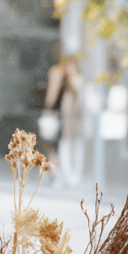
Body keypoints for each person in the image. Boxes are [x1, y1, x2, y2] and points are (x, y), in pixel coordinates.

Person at [43, 49, 84, 187]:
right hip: (61, 116)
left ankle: (60, 176)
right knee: (57, 144)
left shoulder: (59, 73)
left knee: (59, 144)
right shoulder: (60, 73)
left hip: (65, 117)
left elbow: (51, 97)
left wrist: (47, 109)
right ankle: (60, 175)